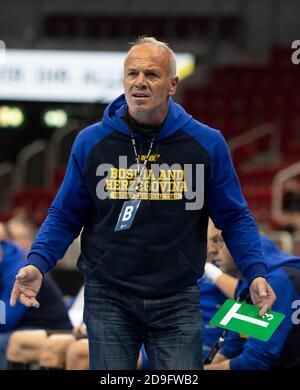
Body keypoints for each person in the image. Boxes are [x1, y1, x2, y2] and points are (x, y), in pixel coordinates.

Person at [10, 36, 276, 370]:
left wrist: (255, 271)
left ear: (173, 84)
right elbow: (65, 214)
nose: (139, 82)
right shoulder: (92, 142)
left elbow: (235, 217)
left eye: (151, 74)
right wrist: (38, 262)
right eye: (132, 73)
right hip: (109, 294)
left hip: (177, 296)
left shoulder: (206, 144)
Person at [205, 222, 300, 370]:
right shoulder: (247, 282)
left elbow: (255, 362)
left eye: (219, 241)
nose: (211, 250)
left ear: (246, 244)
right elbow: (232, 345)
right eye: (211, 241)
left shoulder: (278, 282)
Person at [0, 240, 72, 370]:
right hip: (23, 326)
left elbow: (6, 320)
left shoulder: (18, 271)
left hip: (54, 329)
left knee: (2, 341)